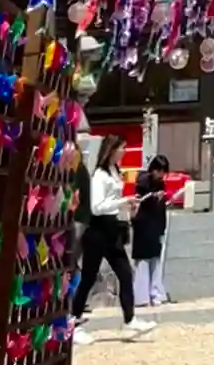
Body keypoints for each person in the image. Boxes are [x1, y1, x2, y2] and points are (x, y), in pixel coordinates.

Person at [72, 134, 152, 339]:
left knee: (125, 274)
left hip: (112, 229)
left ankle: (130, 319)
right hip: (98, 231)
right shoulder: (100, 175)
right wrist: (122, 202)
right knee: (88, 278)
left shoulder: (115, 171)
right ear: (112, 149)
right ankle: (73, 320)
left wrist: (127, 207)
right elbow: (97, 207)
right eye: (121, 148)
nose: (124, 151)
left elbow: (113, 202)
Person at [131, 154, 170, 311]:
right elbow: (141, 201)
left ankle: (156, 294)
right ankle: (141, 297)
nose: (161, 175)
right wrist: (154, 197)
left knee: (155, 260)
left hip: (156, 224)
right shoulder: (143, 182)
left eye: (163, 171)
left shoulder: (161, 184)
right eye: (159, 171)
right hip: (143, 225)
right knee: (143, 261)